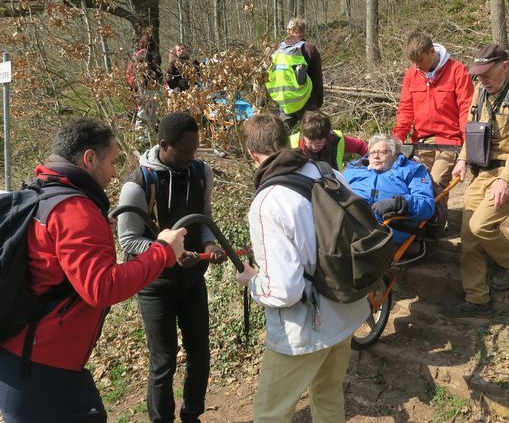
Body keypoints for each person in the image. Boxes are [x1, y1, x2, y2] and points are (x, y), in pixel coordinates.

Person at [0, 119, 186, 423]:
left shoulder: (46, 191)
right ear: (89, 158)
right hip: (42, 369)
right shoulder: (74, 211)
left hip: (26, 362)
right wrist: (163, 251)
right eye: (112, 161)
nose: (114, 172)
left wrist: (96, 225)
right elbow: (102, 288)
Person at [235, 114, 368, 423]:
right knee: (328, 396)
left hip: (305, 328)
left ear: (252, 155)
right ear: (287, 140)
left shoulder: (267, 202)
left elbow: (284, 290)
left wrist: (252, 280)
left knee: (271, 412)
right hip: (346, 308)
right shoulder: (328, 172)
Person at [117, 111, 224, 423]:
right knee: (163, 362)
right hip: (155, 287)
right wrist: (168, 254)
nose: (192, 158)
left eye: (195, 150)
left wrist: (209, 245)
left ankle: (192, 415)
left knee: (200, 356)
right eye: (185, 152)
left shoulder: (201, 172)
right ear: (164, 145)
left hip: (192, 281)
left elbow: (204, 218)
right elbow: (128, 240)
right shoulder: (138, 185)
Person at [448, 44, 509, 317]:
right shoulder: (480, 90)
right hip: (481, 170)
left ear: (505, 65)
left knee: (481, 225)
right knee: (468, 239)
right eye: (479, 74)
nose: (482, 79)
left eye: (487, 73)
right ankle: (477, 299)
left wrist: (506, 181)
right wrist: (463, 159)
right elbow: (471, 126)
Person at [392, 30, 474, 189]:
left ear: (432, 52)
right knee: (418, 185)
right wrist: (397, 137)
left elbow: (467, 108)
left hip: (450, 140)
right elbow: (406, 109)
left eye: (420, 60)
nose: (417, 66)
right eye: (413, 62)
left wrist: (467, 144)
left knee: (435, 183)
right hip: (422, 141)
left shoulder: (457, 71)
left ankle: (439, 214)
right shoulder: (411, 74)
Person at [344, 134, 435, 245]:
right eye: (372, 152)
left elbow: (427, 206)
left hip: (388, 231)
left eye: (383, 152)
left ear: (394, 155)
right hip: (352, 225)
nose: (376, 156)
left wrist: (398, 203)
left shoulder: (411, 170)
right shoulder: (354, 170)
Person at [267, 17, 324, 129]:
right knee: (317, 134)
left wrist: (260, 104)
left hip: (284, 103)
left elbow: (265, 77)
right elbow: (317, 78)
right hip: (305, 102)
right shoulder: (309, 49)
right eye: (289, 30)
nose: (289, 32)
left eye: (292, 30)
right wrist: (318, 103)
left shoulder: (276, 49)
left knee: (280, 137)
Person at [289, 111, 368, 172]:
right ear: (304, 134)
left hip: (334, 187)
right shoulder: (290, 145)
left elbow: (361, 147)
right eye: (311, 141)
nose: (314, 146)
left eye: (320, 141)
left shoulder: (336, 139)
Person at [129, 34, 163, 132]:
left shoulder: (139, 54)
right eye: (151, 42)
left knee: (148, 112)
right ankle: (141, 137)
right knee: (145, 112)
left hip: (143, 87)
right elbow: (148, 72)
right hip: (145, 87)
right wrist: (156, 74)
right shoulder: (144, 53)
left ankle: (147, 136)